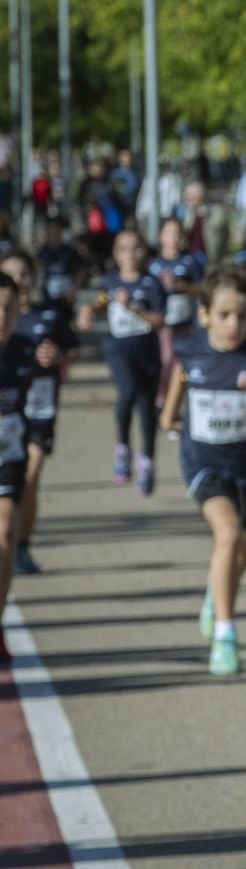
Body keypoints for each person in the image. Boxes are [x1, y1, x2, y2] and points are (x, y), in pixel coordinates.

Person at [160, 267, 246, 676]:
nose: (233, 324)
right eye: (224, 315)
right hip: (204, 465)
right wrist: (178, 424)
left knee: (241, 553)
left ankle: (214, 597)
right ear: (205, 316)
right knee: (228, 532)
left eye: (242, 315)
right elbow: (171, 409)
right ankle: (225, 636)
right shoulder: (190, 352)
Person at [0, 251, 78, 576]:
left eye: (25, 275)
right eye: (13, 275)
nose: (21, 281)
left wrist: (59, 357)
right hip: (11, 414)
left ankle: (21, 545)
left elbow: (73, 352)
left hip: (38, 412)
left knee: (30, 478)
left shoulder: (49, 316)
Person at [75, 229, 166, 495]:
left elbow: (160, 321)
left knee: (146, 406)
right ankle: (123, 450)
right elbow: (100, 302)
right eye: (124, 249)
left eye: (136, 248)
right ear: (116, 254)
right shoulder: (111, 282)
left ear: (144, 252)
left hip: (147, 351)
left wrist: (136, 309)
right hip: (119, 350)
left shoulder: (152, 284)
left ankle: (147, 461)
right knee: (127, 393)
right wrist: (88, 310)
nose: (131, 254)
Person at [0, 272, 50, 661]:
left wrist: (53, 362)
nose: (1, 316)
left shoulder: (26, 351)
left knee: (4, 535)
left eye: (8, 308)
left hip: (7, 457)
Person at [152, 216, 209, 422]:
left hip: (186, 323)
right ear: (161, 236)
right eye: (170, 233)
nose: (174, 238)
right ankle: (162, 403)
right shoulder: (154, 265)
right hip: (164, 325)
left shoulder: (190, 261)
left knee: (182, 364)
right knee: (166, 361)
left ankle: (177, 406)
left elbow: (203, 289)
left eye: (178, 233)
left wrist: (181, 286)